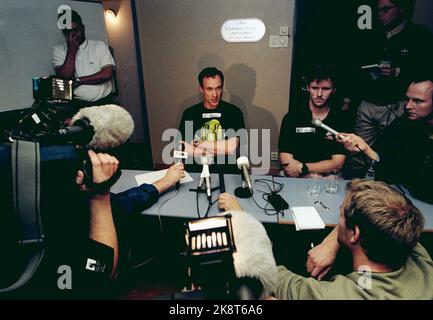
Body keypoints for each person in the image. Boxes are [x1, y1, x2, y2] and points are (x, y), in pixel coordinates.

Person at [275, 179, 433, 299]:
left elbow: (279, 279)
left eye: (341, 214)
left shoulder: (337, 295)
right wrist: (331, 243)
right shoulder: (420, 257)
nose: (339, 220)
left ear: (355, 234)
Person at [338, 73, 433, 203]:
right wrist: (364, 148)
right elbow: (384, 163)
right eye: (408, 99)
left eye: (418, 101)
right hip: (404, 198)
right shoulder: (404, 124)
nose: (408, 106)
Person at [354, 0, 433, 147]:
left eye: (386, 10)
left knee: (394, 149)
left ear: (401, 9)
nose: (380, 15)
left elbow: (427, 70)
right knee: (358, 154)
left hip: (398, 105)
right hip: (368, 103)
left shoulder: (419, 35)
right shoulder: (372, 35)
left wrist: (398, 72)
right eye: (379, 11)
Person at [278, 64, 350, 178]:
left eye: (326, 89)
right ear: (307, 88)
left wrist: (304, 168)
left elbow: (338, 163)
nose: (319, 94)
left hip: (327, 176)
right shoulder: (293, 117)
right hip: (296, 174)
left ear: (334, 90)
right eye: (315, 88)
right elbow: (285, 156)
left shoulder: (340, 120)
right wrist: (301, 173)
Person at [178, 67, 246, 173]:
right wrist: (220, 147)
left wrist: (197, 144)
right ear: (201, 89)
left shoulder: (234, 112)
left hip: (227, 171)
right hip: (196, 172)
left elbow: (231, 147)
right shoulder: (190, 113)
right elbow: (184, 148)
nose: (215, 94)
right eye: (209, 89)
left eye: (218, 88)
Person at [53, 9, 116, 114]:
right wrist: (72, 50)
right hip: (78, 107)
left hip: (104, 104)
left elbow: (107, 74)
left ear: (83, 28)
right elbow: (64, 80)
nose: (73, 35)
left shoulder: (99, 46)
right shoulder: (58, 50)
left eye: (76, 30)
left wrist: (78, 81)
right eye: (68, 31)